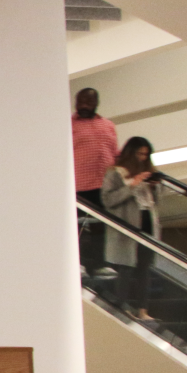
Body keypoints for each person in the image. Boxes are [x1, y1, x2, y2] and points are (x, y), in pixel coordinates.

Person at [101, 136, 161, 320]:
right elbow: (108, 200)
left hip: (147, 222)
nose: (142, 158)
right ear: (130, 153)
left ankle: (143, 309)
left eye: (146, 154)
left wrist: (155, 186)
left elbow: (155, 203)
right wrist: (132, 185)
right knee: (126, 266)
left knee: (144, 267)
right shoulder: (115, 173)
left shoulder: (148, 171)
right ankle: (121, 306)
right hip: (127, 225)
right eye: (139, 154)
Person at [71, 87, 117, 275]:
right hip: (78, 185)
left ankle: (99, 264)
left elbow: (115, 152)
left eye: (88, 102)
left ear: (96, 103)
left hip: (103, 185)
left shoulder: (108, 125)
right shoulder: (67, 124)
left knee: (100, 227)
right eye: (80, 101)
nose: (83, 105)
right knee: (77, 227)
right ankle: (77, 263)